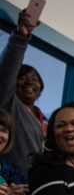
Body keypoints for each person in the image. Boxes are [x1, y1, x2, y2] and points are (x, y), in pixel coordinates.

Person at [0, 9, 47, 173]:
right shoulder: (8, 104)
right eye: (23, 77)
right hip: (12, 186)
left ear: (40, 90)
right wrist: (21, 36)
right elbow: (6, 69)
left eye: (35, 79)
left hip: (38, 189)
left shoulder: (46, 121)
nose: (29, 81)